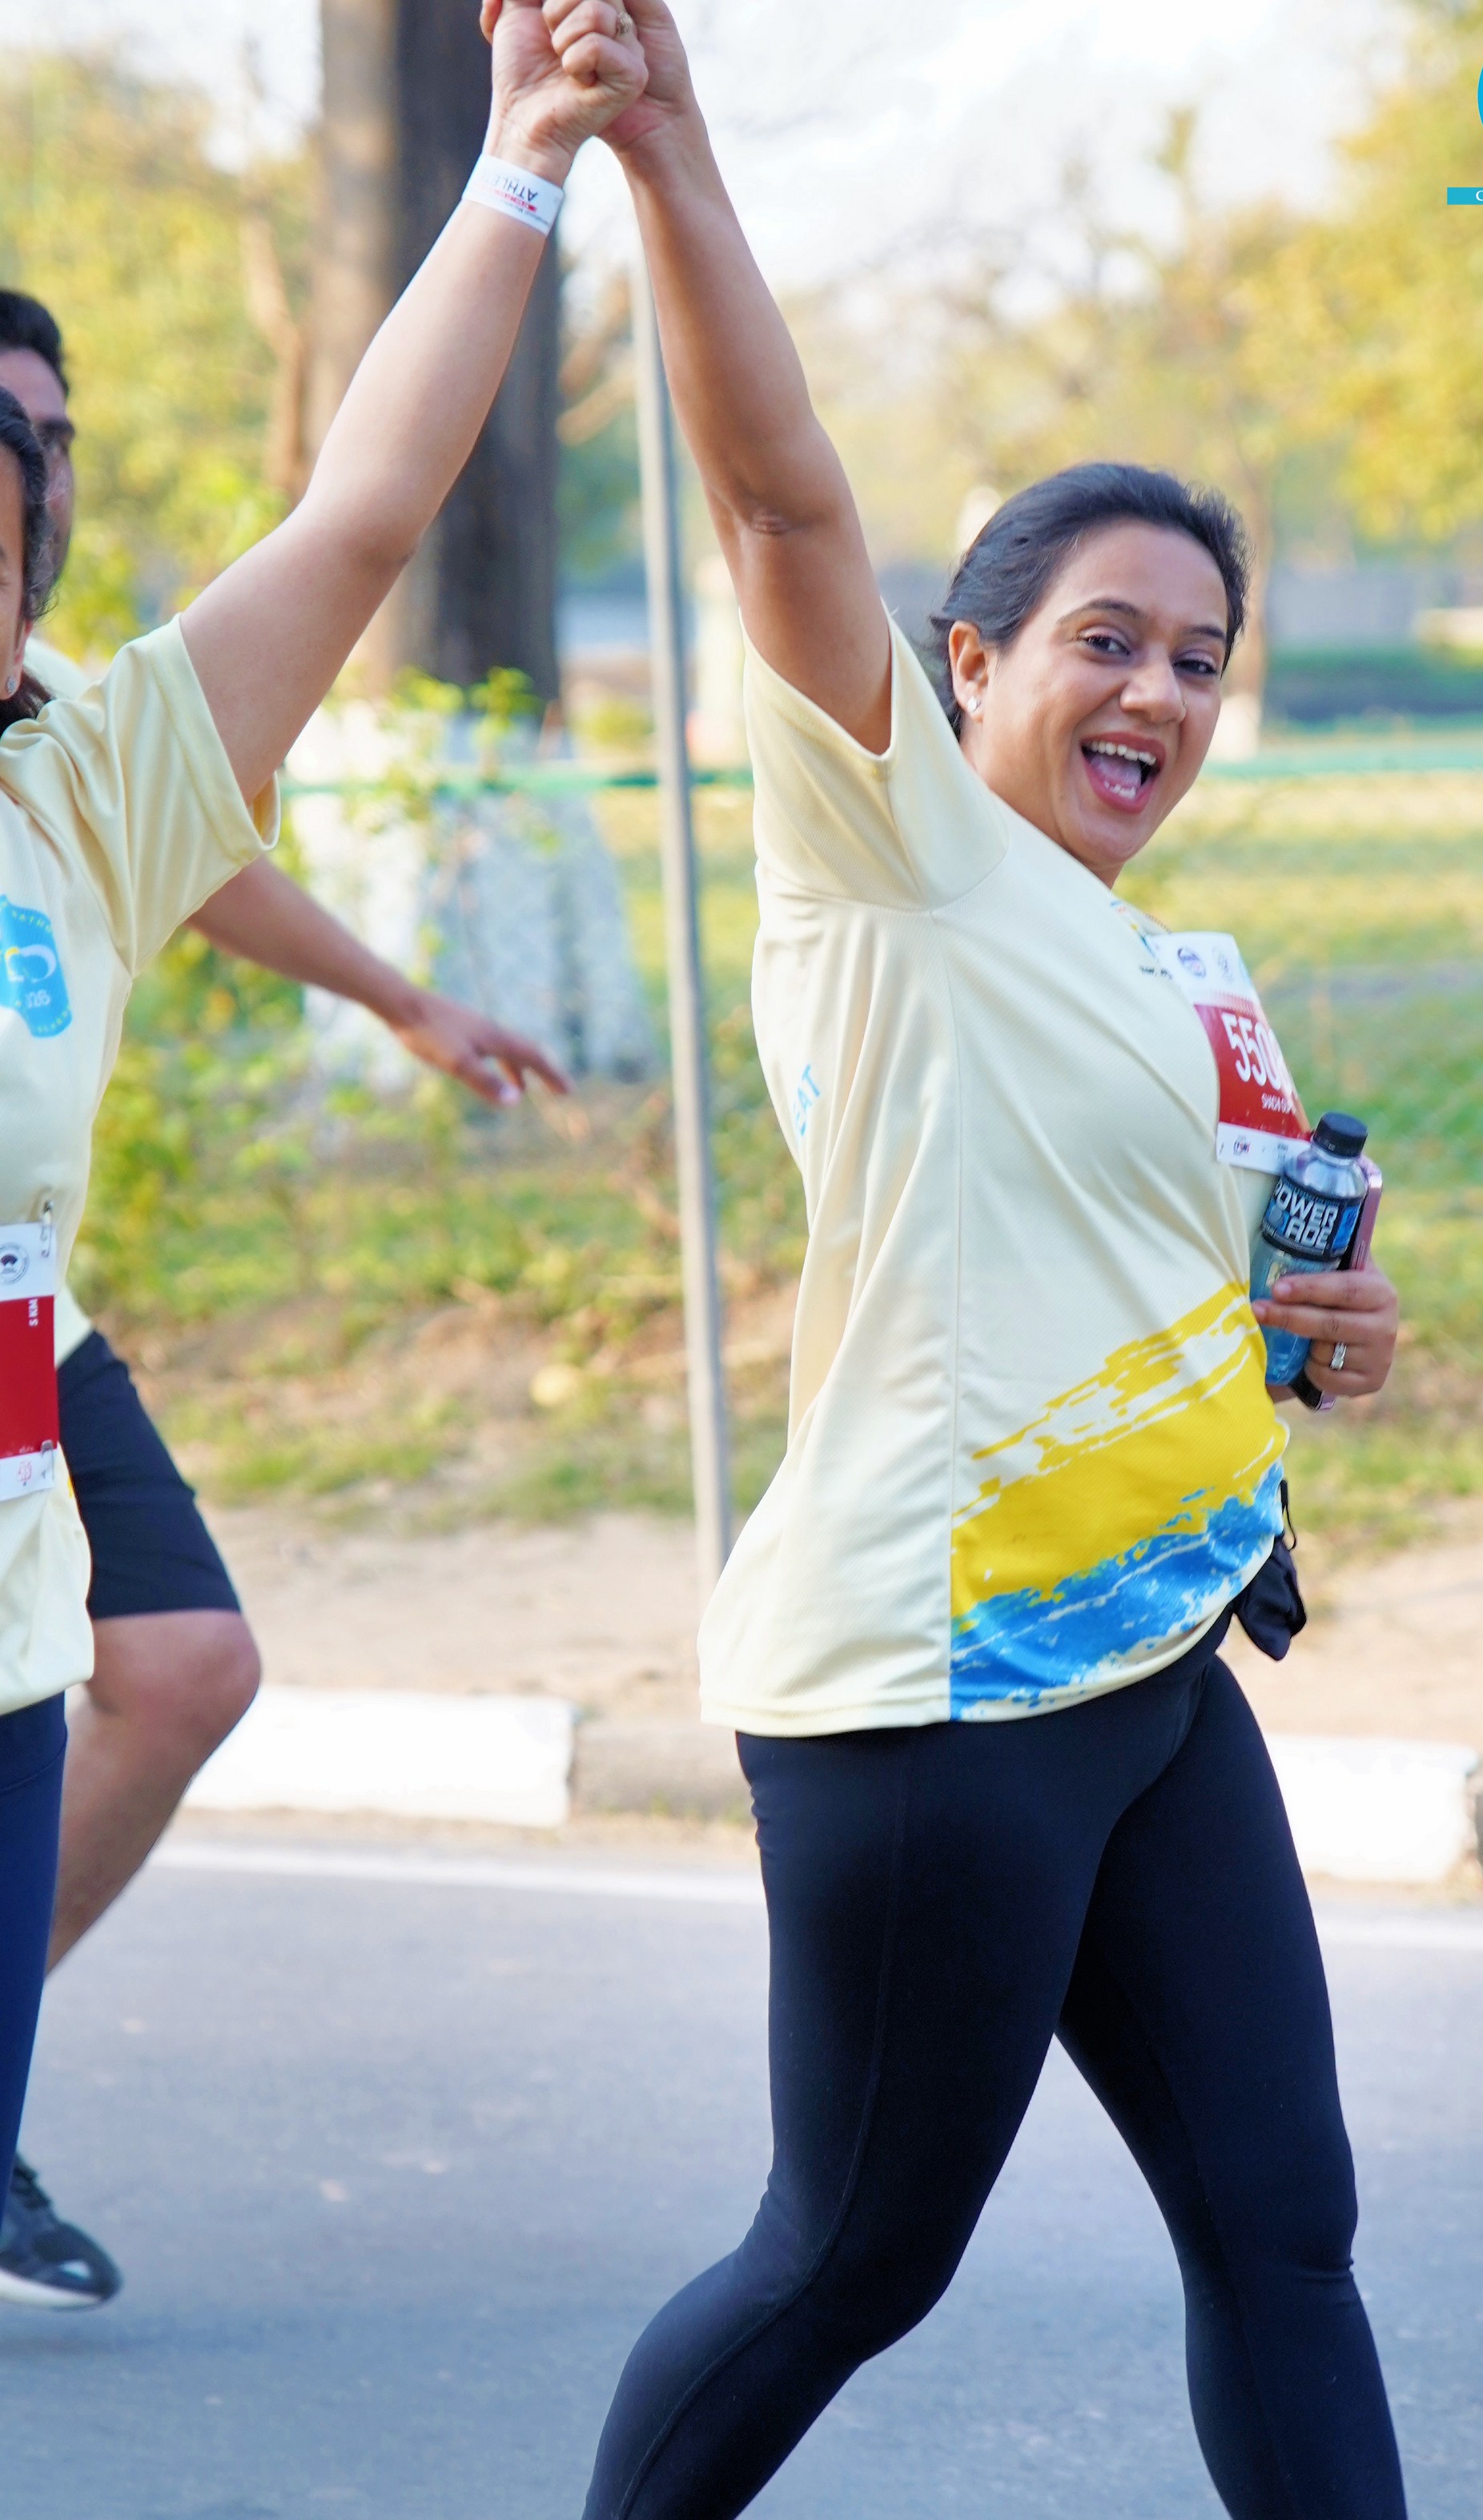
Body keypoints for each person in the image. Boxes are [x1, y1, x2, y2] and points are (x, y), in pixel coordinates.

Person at [569, 6, 1409, 2516]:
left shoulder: (1190, 972)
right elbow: (779, 504)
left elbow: (1236, 1305)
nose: (1156, 688)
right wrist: (668, 152)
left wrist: (1329, 1334)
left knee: (1284, 2226)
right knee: (847, 2259)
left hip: (1154, 1664)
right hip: (929, 1700)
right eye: (1103, 638)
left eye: (1198, 657)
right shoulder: (898, 864)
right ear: (969, 668)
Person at [0, 0, 646, 2325]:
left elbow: (362, 509)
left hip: (7, 1513)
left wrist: (525, 154)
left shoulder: (80, 781)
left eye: (19, 497)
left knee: (179, 1660)